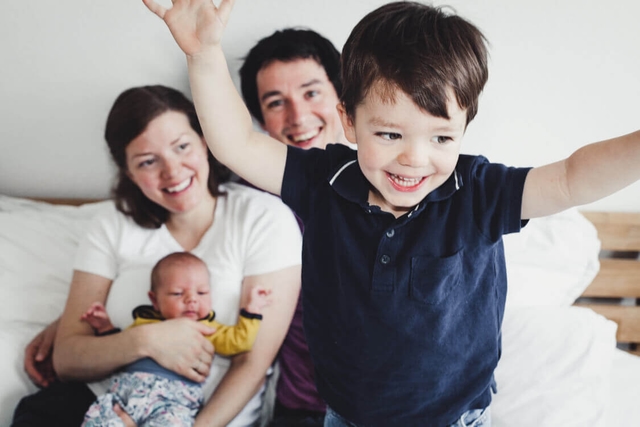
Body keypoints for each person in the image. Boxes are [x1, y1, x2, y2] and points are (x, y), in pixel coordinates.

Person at [142, 0, 640, 425]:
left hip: (453, 419)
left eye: (441, 137)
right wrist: (203, 55)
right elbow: (235, 145)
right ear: (349, 121)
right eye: (390, 134)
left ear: (465, 126)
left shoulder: (479, 192)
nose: (414, 158)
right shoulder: (323, 181)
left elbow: (574, 176)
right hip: (345, 415)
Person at [13, 84, 302, 427]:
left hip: (197, 418)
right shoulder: (111, 223)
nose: (173, 171)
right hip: (100, 405)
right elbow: (68, 358)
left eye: (182, 147)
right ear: (128, 172)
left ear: (205, 143)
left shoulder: (263, 217)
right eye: (148, 161)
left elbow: (251, 363)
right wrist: (146, 340)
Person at [239, 27, 346, 426]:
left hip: (389, 405)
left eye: (311, 92)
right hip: (302, 408)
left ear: (342, 96)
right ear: (260, 119)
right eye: (276, 102)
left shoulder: (392, 180)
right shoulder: (247, 199)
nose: (298, 117)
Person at [81, 251, 272, 426]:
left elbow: (240, 341)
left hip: (172, 403)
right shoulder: (144, 322)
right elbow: (123, 349)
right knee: (99, 419)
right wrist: (105, 328)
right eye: (178, 293)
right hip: (126, 394)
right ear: (155, 300)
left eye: (202, 292)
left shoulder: (206, 329)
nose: (192, 299)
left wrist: (251, 311)